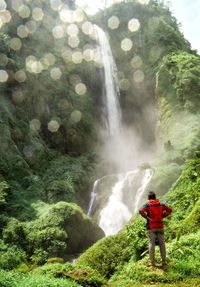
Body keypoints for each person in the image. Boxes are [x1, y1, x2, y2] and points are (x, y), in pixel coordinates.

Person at [139, 191, 172, 268]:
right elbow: (170, 210)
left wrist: (147, 217)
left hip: (151, 227)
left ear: (148, 198)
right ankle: (164, 262)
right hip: (160, 227)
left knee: (151, 244)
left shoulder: (147, 205)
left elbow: (141, 211)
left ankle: (152, 263)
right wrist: (163, 216)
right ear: (155, 197)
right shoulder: (161, 204)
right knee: (162, 244)